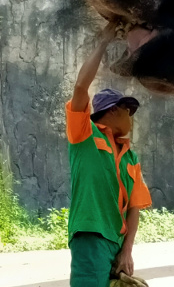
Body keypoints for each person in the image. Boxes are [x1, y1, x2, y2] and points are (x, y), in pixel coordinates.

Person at [65, 21, 152, 287]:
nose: (131, 117)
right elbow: (81, 88)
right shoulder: (85, 134)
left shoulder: (130, 157)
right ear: (112, 111)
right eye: (128, 110)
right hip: (90, 235)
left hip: (116, 242)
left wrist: (127, 251)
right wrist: (103, 41)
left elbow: (134, 208)